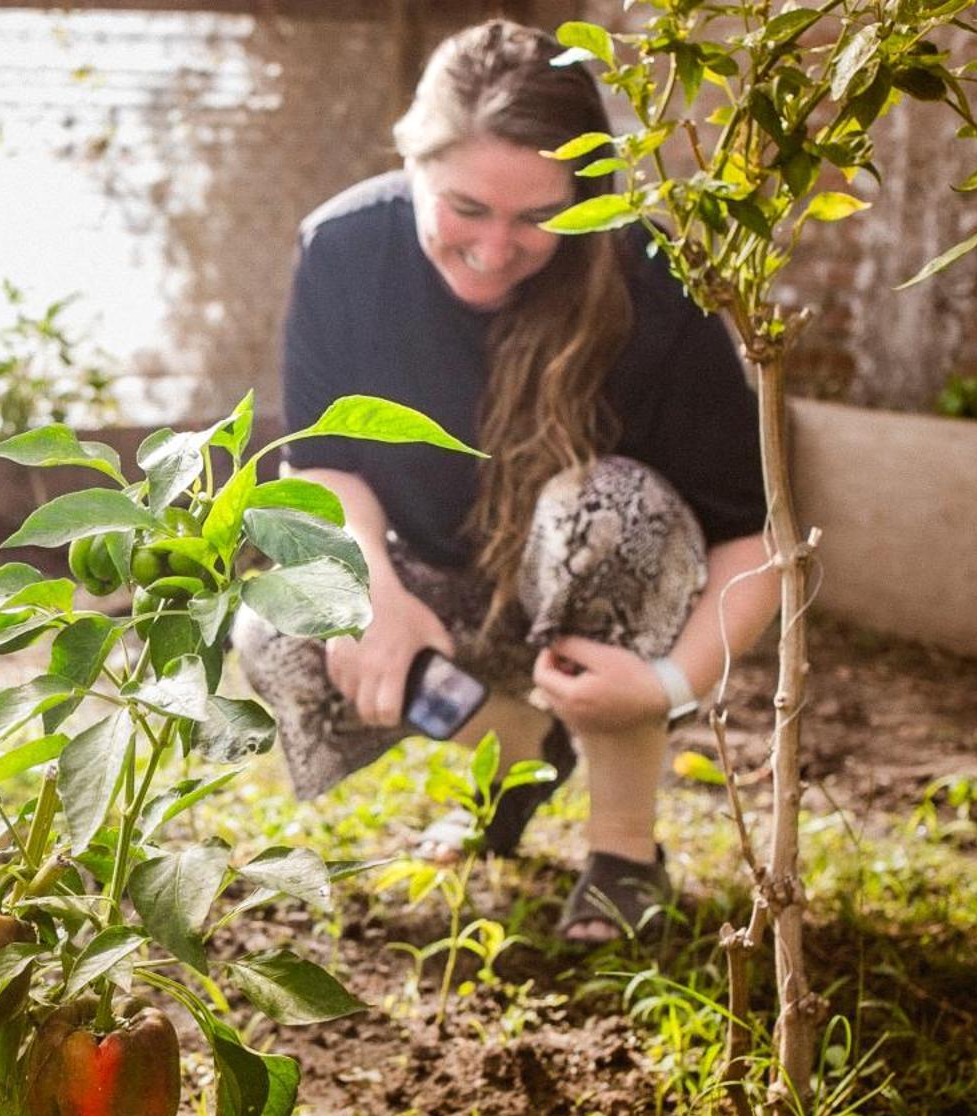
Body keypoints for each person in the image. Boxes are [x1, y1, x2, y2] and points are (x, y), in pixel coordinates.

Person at [235, 19, 781, 943]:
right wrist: (372, 588)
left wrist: (667, 684)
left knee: (607, 508)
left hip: (600, 597)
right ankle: (522, 759)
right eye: (465, 207)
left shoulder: (652, 285)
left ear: (584, 194)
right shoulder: (342, 250)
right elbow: (321, 462)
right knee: (280, 624)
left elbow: (752, 540)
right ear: (411, 162)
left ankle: (623, 853)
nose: (495, 247)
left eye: (538, 217)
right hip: (452, 596)